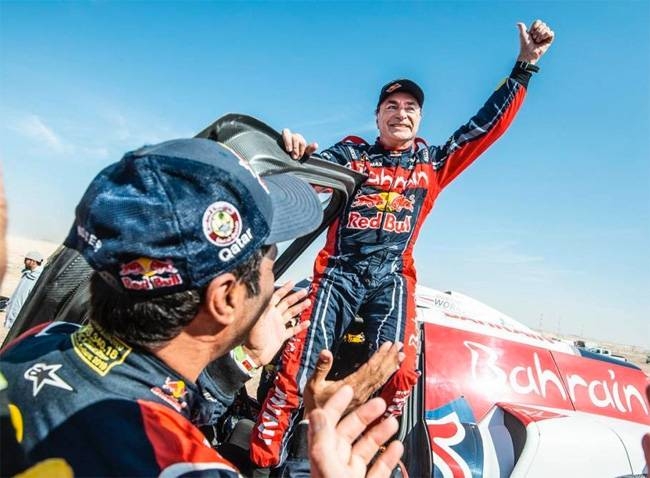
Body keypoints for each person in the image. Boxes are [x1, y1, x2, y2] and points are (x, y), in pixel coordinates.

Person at [0, 138, 403, 477]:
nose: (272, 271)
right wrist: (318, 454)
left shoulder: (44, 340)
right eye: (268, 253)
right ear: (226, 297)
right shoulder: (191, 469)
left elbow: (150, 390)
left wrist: (243, 359)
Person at [252, 19, 555, 468]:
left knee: (398, 371)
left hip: (392, 275)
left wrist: (524, 67)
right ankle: (260, 463)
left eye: (410, 106)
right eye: (391, 105)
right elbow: (306, 174)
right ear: (378, 116)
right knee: (297, 366)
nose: (401, 113)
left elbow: (483, 127)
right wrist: (292, 151)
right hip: (339, 270)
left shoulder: (432, 162)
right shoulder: (354, 152)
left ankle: (375, 457)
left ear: (420, 117)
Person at [3, 250, 44, 329]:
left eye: (27, 259)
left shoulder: (39, 277)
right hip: (13, 311)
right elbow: (17, 293)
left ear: (33, 261)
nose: (24, 261)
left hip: (22, 315)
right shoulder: (27, 274)